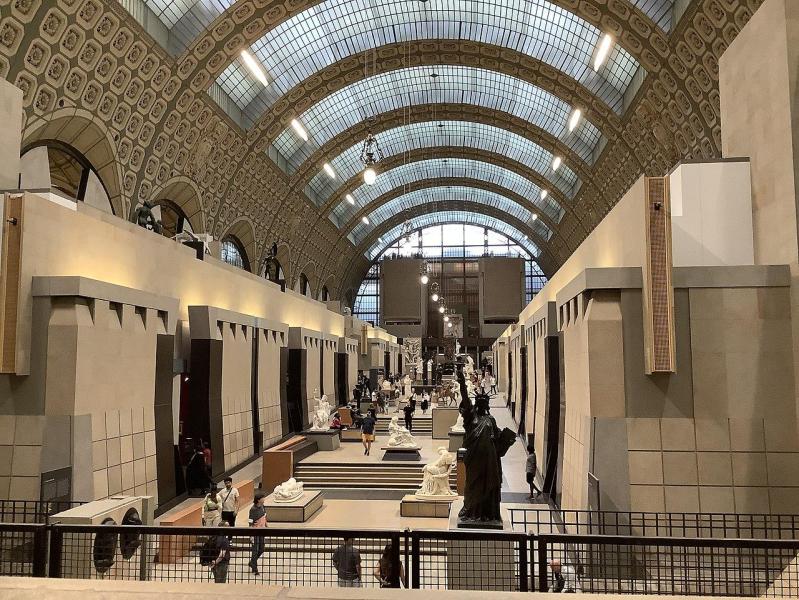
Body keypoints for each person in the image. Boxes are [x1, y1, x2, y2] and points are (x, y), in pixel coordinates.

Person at [247, 491, 267, 575]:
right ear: (258, 500)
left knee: (262, 549)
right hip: (255, 532)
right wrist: (251, 534)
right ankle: (254, 568)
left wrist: (267, 526)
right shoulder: (253, 509)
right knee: (255, 550)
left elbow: (265, 516)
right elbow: (250, 522)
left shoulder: (263, 506)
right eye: (263, 497)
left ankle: (252, 562)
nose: (264, 499)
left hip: (262, 530)